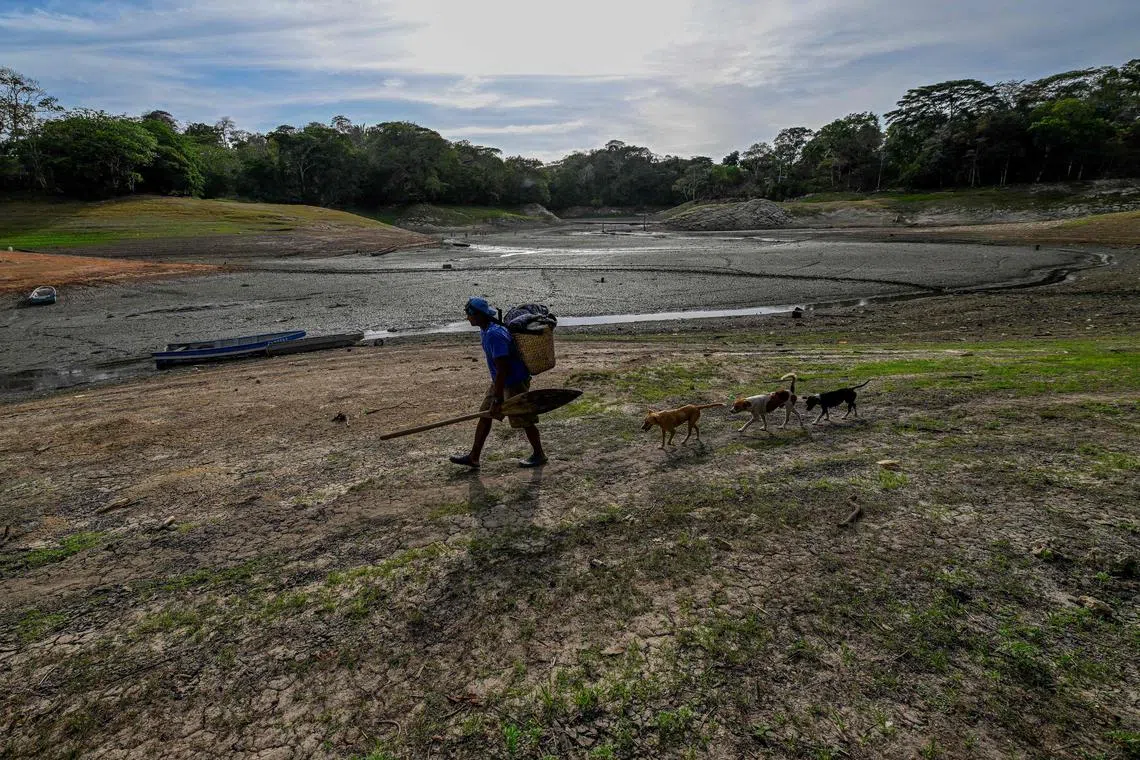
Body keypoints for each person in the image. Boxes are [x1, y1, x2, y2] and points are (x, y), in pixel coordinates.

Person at [449, 297, 547, 469]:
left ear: (478, 315)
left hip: (514, 381)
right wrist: (496, 392)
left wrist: (497, 398)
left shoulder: (495, 334)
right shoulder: (486, 330)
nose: (467, 318)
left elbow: (503, 368)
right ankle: (474, 457)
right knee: (485, 415)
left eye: (469, 315)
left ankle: (539, 454)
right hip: (500, 381)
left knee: (524, 418)